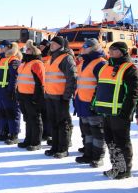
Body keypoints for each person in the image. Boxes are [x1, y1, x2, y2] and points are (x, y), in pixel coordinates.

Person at [93, 41, 138, 179]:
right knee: (111, 141)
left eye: (115, 49)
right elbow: (99, 87)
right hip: (106, 112)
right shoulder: (106, 67)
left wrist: (126, 113)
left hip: (119, 114)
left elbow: (133, 93)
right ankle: (116, 167)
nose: (111, 51)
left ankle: (124, 170)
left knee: (121, 142)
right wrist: (94, 103)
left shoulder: (130, 68)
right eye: (110, 49)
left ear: (123, 52)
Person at [74, 38, 107, 167]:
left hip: (93, 103)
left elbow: (102, 86)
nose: (83, 48)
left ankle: (98, 156)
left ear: (94, 48)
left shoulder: (100, 63)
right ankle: (88, 154)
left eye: (86, 46)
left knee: (97, 131)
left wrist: (95, 102)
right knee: (87, 131)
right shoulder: (84, 62)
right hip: (82, 102)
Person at [44, 36, 77, 158]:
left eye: (54, 43)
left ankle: (63, 148)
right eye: (51, 43)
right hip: (50, 95)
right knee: (53, 123)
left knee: (63, 123)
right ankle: (55, 146)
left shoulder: (66, 58)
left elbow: (72, 78)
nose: (51, 45)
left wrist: (67, 95)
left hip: (60, 97)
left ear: (61, 45)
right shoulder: (50, 58)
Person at [17, 40, 45, 151]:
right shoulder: (24, 63)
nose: (26, 50)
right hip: (23, 95)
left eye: (28, 49)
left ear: (33, 52)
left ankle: (36, 142)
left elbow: (41, 82)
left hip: (32, 96)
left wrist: (37, 98)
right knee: (27, 119)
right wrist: (18, 94)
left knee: (35, 119)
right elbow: (20, 80)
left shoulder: (37, 64)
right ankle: (28, 139)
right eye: (26, 49)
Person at [0, 41, 22, 145]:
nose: (0, 48)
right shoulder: (1, 59)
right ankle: (4, 132)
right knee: (2, 112)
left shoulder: (14, 60)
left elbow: (14, 77)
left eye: (2, 46)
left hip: (7, 90)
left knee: (12, 113)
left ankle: (14, 134)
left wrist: (12, 90)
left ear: (9, 47)